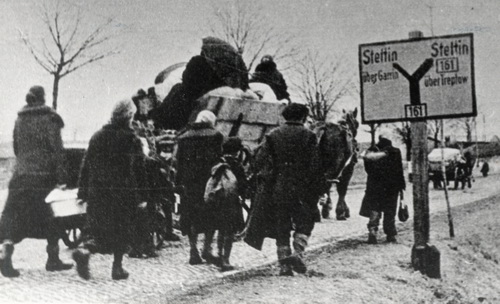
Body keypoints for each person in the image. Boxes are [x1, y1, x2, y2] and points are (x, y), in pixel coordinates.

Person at [0, 86, 73, 277]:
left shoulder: (20, 119)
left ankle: (6, 251)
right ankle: (53, 259)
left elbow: (16, 148)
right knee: (51, 216)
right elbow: (57, 151)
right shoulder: (51, 119)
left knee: (13, 216)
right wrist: (62, 178)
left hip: (20, 176)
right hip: (43, 177)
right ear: (43, 98)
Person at [72, 99, 147, 280]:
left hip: (98, 192)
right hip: (123, 193)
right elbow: (139, 169)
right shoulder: (132, 139)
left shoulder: (97, 136)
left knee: (96, 229)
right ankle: (117, 268)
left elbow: (86, 165)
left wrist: (82, 191)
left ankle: (85, 250)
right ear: (129, 117)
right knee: (121, 230)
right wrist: (143, 196)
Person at [245, 103, 322, 276]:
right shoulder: (309, 135)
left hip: (279, 186)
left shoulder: (272, 135)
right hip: (303, 187)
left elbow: (260, 160)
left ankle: (284, 266)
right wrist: (317, 187)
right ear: (302, 117)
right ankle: (297, 253)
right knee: (306, 221)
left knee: (282, 224)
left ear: (285, 116)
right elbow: (315, 164)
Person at [175, 110, 224, 265]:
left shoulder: (183, 137)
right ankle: (207, 249)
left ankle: (193, 250)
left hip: (189, 184)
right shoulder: (215, 135)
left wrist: (178, 183)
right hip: (208, 182)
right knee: (211, 215)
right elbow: (218, 160)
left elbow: (179, 162)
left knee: (190, 216)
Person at [360, 135, 406, 244]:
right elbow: (399, 171)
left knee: (374, 209)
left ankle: (372, 231)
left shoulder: (370, 152)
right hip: (391, 187)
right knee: (390, 211)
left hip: (374, 186)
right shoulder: (395, 152)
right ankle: (390, 234)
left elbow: (368, 169)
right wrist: (402, 186)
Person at [215, 137, 248, 271]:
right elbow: (242, 185)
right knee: (229, 232)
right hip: (232, 202)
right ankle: (225, 259)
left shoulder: (218, 162)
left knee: (220, 230)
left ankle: (218, 254)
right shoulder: (237, 165)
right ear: (238, 151)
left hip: (218, 201)